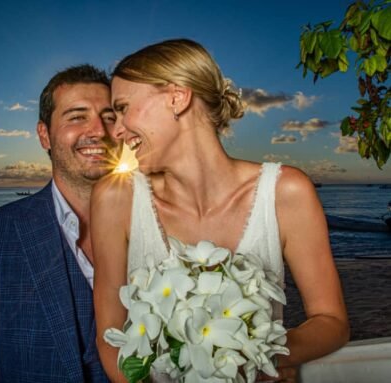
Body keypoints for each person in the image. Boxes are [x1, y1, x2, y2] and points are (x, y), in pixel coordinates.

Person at [92, 39, 350, 383]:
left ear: (177, 97)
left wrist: (260, 354)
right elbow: (110, 336)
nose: (117, 131)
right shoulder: (114, 199)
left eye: (123, 108)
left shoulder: (286, 193)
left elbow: (331, 321)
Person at [0, 64, 121, 382]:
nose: (98, 131)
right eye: (77, 116)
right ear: (44, 135)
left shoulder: (157, 227)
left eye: (109, 117)